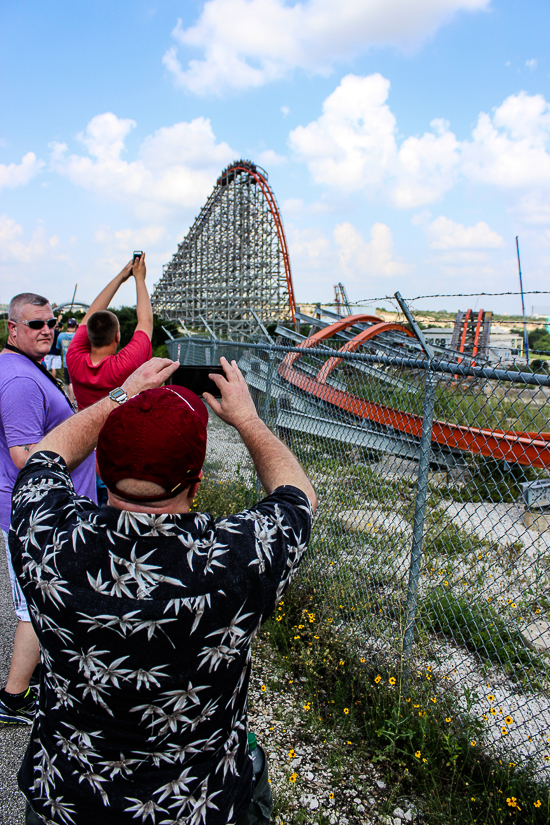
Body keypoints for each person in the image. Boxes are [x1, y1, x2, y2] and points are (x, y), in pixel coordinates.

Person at [10, 355, 317, 825]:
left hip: (65, 796)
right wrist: (248, 420)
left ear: (101, 467)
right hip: (198, 806)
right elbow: (297, 495)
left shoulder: (46, 533)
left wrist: (120, 397)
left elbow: (47, 457)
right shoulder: (239, 559)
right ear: (196, 479)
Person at [0, 293, 97, 727]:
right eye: (35, 324)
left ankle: (40, 678)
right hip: (35, 515)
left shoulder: (22, 368)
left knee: (48, 601)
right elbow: (25, 456)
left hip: (48, 511)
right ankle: (12, 700)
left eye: (51, 323)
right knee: (32, 609)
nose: (46, 330)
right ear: (13, 328)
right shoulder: (19, 381)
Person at [66, 253, 153, 410]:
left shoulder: (73, 358)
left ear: (88, 336)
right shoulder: (124, 366)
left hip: (82, 432)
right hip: (119, 433)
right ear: (117, 336)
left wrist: (121, 276)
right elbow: (145, 322)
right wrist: (139, 279)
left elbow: (90, 315)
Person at [57, 317, 78, 403]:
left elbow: (58, 347)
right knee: (75, 383)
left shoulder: (61, 336)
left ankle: (71, 401)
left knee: (69, 383)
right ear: (75, 326)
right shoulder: (77, 335)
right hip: (77, 362)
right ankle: (74, 399)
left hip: (67, 363)